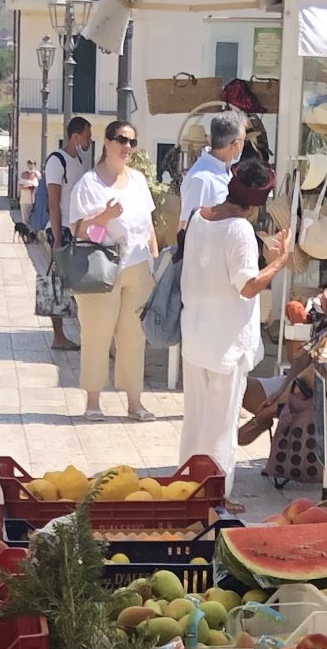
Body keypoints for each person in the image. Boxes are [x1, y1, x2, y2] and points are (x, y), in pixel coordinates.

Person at [179, 156, 288, 487]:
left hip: (195, 337)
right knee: (221, 426)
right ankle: (216, 495)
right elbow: (248, 286)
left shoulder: (198, 217)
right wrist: (278, 263)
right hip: (226, 345)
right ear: (255, 205)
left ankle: (186, 487)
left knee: (196, 421)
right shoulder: (240, 229)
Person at [65, 119, 158, 420]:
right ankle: (93, 403)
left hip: (138, 267)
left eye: (132, 141)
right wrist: (104, 217)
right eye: (121, 139)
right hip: (101, 267)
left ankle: (135, 403)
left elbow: (149, 226)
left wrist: (155, 260)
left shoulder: (138, 181)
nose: (127, 146)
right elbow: (77, 229)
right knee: (97, 335)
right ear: (106, 142)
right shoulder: (89, 184)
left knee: (134, 337)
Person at [39, 117, 92, 352]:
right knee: (57, 283)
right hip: (61, 229)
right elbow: (54, 202)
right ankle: (59, 336)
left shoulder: (78, 161)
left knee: (74, 283)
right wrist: (58, 239)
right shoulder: (57, 161)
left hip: (75, 230)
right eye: (87, 136)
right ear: (75, 137)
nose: (89, 140)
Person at [179, 113, 244, 229]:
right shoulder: (201, 180)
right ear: (235, 145)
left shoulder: (225, 171)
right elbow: (187, 227)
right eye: (243, 140)